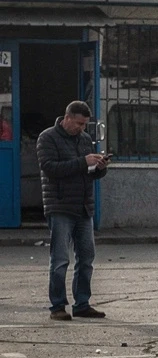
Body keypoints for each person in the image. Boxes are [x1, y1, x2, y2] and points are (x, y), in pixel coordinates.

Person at [38, 100, 107, 321]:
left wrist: (99, 168)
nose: (82, 128)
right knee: (60, 259)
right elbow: (50, 169)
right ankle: (57, 306)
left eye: (85, 124)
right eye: (78, 123)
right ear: (67, 118)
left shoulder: (85, 140)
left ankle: (82, 304)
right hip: (60, 205)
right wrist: (82, 162)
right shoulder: (47, 138)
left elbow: (88, 171)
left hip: (83, 206)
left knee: (86, 257)